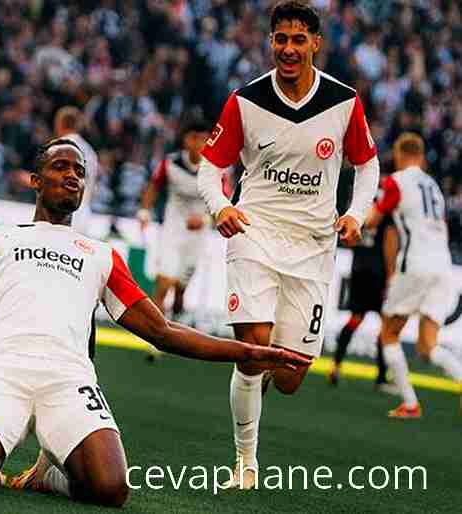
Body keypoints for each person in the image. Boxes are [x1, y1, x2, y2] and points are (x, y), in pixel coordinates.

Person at [0, 138, 310, 508]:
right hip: (3, 371)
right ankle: (14, 463)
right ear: (36, 180)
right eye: (62, 167)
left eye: (80, 172)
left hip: (70, 379)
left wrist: (247, 352)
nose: (72, 176)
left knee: (111, 491)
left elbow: (164, 332)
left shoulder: (101, 255)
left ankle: (50, 475)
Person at [196, 1, 379, 488]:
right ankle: (246, 463)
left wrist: (356, 213)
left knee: (292, 374)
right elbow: (209, 167)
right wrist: (221, 207)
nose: (289, 49)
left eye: (299, 40)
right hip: (254, 232)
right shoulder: (245, 101)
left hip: (314, 246)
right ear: (270, 42)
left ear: (315, 44)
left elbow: (368, 166)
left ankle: (260, 385)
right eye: (281, 39)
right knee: (252, 350)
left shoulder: (344, 102)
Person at [365, 133, 462, 419]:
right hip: (443, 268)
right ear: (421, 156)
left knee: (388, 333)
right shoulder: (433, 186)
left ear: (399, 153)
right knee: (428, 346)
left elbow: (374, 217)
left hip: (415, 265)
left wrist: (353, 222)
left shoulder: (396, 181)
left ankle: (410, 403)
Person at [136, 119, 213, 360]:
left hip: (197, 237)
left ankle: (177, 324)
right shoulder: (170, 163)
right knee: (164, 283)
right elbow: (153, 187)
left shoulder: (215, 168)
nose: (199, 143)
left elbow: (224, 199)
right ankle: (155, 341)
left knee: (180, 291)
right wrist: (145, 211)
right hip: (172, 230)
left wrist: (206, 220)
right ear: (186, 140)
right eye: (194, 138)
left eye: (204, 138)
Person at [328, 200, 395, 390]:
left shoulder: (359, 213)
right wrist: (391, 274)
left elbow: (347, 238)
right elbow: (390, 242)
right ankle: (382, 377)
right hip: (378, 274)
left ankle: (336, 365)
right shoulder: (386, 215)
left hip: (358, 270)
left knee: (355, 318)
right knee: (386, 326)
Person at [53, 106, 99, 237]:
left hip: (62, 212)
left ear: (59, 123)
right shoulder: (91, 152)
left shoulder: (61, 146)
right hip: (83, 213)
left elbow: (55, 180)